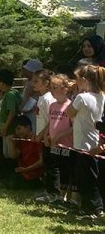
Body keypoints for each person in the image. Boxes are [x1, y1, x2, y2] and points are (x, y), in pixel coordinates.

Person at [69, 64, 105, 220]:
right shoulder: (102, 96)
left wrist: (77, 93)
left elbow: (69, 112)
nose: (75, 82)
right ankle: (89, 207)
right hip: (95, 141)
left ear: (84, 80)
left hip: (83, 143)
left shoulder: (82, 98)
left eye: (77, 79)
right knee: (92, 177)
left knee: (85, 179)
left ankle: (93, 208)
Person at [40, 74, 73, 203]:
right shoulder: (52, 105)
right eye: (51, 87)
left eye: (55, 87)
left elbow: (73, 127)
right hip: (52, 144)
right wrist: (46, 135)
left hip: (66, 145)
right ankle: (51, 193)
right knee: (51, 169)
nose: (52, 90)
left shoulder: (70, 106)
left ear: (65, 89)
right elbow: (51, 122)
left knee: (64, 171)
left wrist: (59, 136)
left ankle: (63, 196)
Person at [10, 114, 44, 188]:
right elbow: (13, 156)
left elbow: (42, 161)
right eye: (15, 130)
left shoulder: (36, 140)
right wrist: (11, 143)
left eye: (19, 129)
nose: (17, 132)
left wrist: (26, 169)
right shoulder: (21, 140)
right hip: (24, 173)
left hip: (35, 175)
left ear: (28, 127)